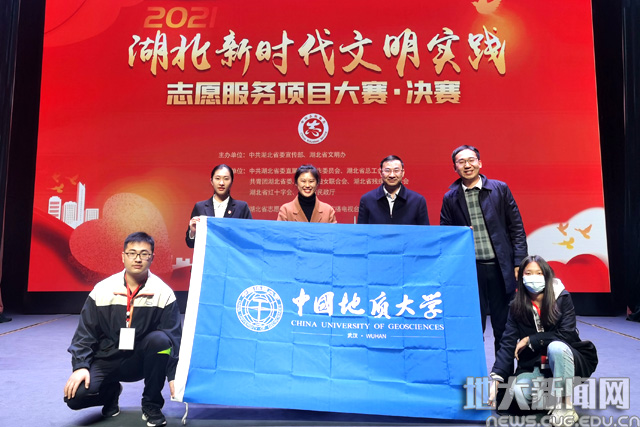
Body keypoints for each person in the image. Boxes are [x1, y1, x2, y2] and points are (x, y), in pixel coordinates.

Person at [64, 232, 182, 427]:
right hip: (106, 357)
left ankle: (151, 405)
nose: (138, 258)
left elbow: (173, 337)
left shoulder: (163, 292)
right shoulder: (102, 289)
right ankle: (111, 393)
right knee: (75, 397)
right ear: (123, 256)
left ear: (152, 257)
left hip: (141, 359)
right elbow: (85, 334)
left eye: (144, 254)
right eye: (132, 253)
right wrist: (80, 366)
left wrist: (174, 374)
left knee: (161, 341)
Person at [488, 255, 597, 425]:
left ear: (546, 275)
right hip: (535, 365)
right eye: (528, 273)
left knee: (556, 347)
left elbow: (566, 334)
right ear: (521, 277)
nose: (534, 278)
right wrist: (496, 380)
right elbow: (508, 343)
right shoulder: (516, 305)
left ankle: (565, 406)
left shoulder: (562, 298)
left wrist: (530, 340)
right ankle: (552, 399)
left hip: (567, 360)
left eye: (539, 273)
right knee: (519, 392)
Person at [440, 145, 527, 354]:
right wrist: (460, 232)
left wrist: (518, 262)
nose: (467, 165)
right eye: (461, 162)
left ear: (480, 163)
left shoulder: (499, 189)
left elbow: (516, 227)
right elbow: (446, 234)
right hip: (470, 271)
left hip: (500, 268)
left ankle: (502, 371)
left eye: (471, 160)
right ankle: (473, 368)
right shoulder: (450, 198)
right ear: (455, 168)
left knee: (503, 326)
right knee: (472, 325)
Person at [186, 164, 252, 248]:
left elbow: (249, 239)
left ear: (231, 182)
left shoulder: (241, 207)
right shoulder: (200, 207)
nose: (221, 183)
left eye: (226, 179)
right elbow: (190, 244)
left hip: (231, 255)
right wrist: (192, 232)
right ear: (211, 181)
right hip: (209, 256)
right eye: (217, 178)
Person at [357, 155, 429, 225]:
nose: (392, 175)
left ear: (403, 173)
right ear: (381, 173)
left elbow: (424, 231)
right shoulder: (367, 200)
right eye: (387, 171)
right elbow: (361, 231)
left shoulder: (417, 201)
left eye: (396, 170)